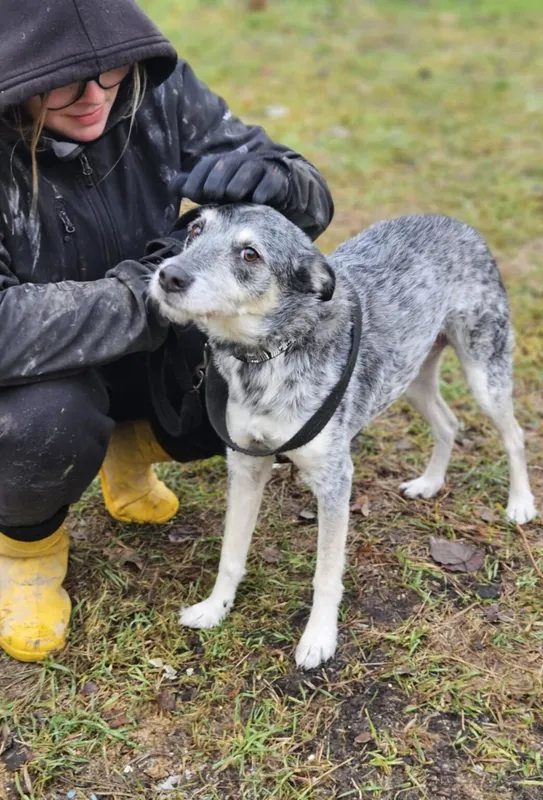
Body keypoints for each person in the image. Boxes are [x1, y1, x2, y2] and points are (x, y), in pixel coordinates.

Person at [0, 0, 334, 662]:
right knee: (40, 426)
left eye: (111, 73)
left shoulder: (156, 87)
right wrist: (146, 289)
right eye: (62, 80)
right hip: (36, 375)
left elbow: (308, 215)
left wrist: (281, 184)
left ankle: (128, 449)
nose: (95, 97)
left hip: (149, 334)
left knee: (266, 363)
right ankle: (27, 547)